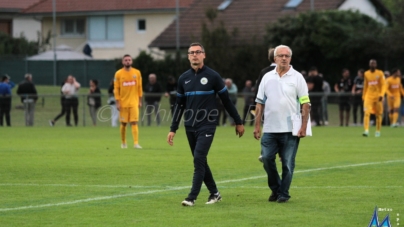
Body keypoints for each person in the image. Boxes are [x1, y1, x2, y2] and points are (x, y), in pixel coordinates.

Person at [167, 42, 245, 206]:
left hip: (207, 124)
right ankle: (215, 193)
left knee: (198, 158)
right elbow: (179, 106)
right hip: (190, 126)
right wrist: (173, 128)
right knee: (200, 160)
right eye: (191, 52)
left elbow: (227, 101)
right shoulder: (183, 78)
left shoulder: (213, 76)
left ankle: (191, 197)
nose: (194, 55)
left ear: (204, 55)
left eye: (198, 52)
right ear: (188, 56)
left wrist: (238, 121)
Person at [253, 44, 310, 203]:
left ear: (290, 58)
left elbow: (305, 103)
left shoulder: (297, 77)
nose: (284, 58)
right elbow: (259, 103)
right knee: (266, 158)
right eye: (281, 55)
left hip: (290, 129)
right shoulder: (267, 77)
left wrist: (303, 126)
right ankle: (277, 189)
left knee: (287, 164)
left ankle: (283, 194)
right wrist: (257, 126)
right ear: (275, 58)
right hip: (270, 128)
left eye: (287, 56)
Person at [114, 54, 143, 149]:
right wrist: (117, 102)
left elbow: (139, 88)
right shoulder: (118, 74)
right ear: (123, 62)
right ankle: (123, 143)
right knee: (123, 123)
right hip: (123, 103)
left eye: (129, 60)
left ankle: (136, 143)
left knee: (134, 122)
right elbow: (116, 89)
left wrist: (140, 100)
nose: (127, 61)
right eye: (126, 60)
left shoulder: (137, 73)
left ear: (132, 61)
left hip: (134, 102)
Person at [253, 48, 276, 163]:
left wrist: (256, 105)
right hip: (284, 106)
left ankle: (265, 152)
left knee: (267, 128)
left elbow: (258, 91)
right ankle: (282, 154)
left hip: (267, 106)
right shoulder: (287, 70)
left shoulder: (264, 71)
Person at [362, 59, 386, 137]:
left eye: (374, 63)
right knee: (366, 113)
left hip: (378, 96)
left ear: (376, 65)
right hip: (368, 96)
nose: (373, 65)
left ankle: (378, 131)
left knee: (378, 114)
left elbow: (383, 85)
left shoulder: (380, 73)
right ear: (369, 65)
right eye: (371, 63)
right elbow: (365, 85)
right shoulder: (366, 73)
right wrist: (363, 96)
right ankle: (366, 130)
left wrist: (382, 95)